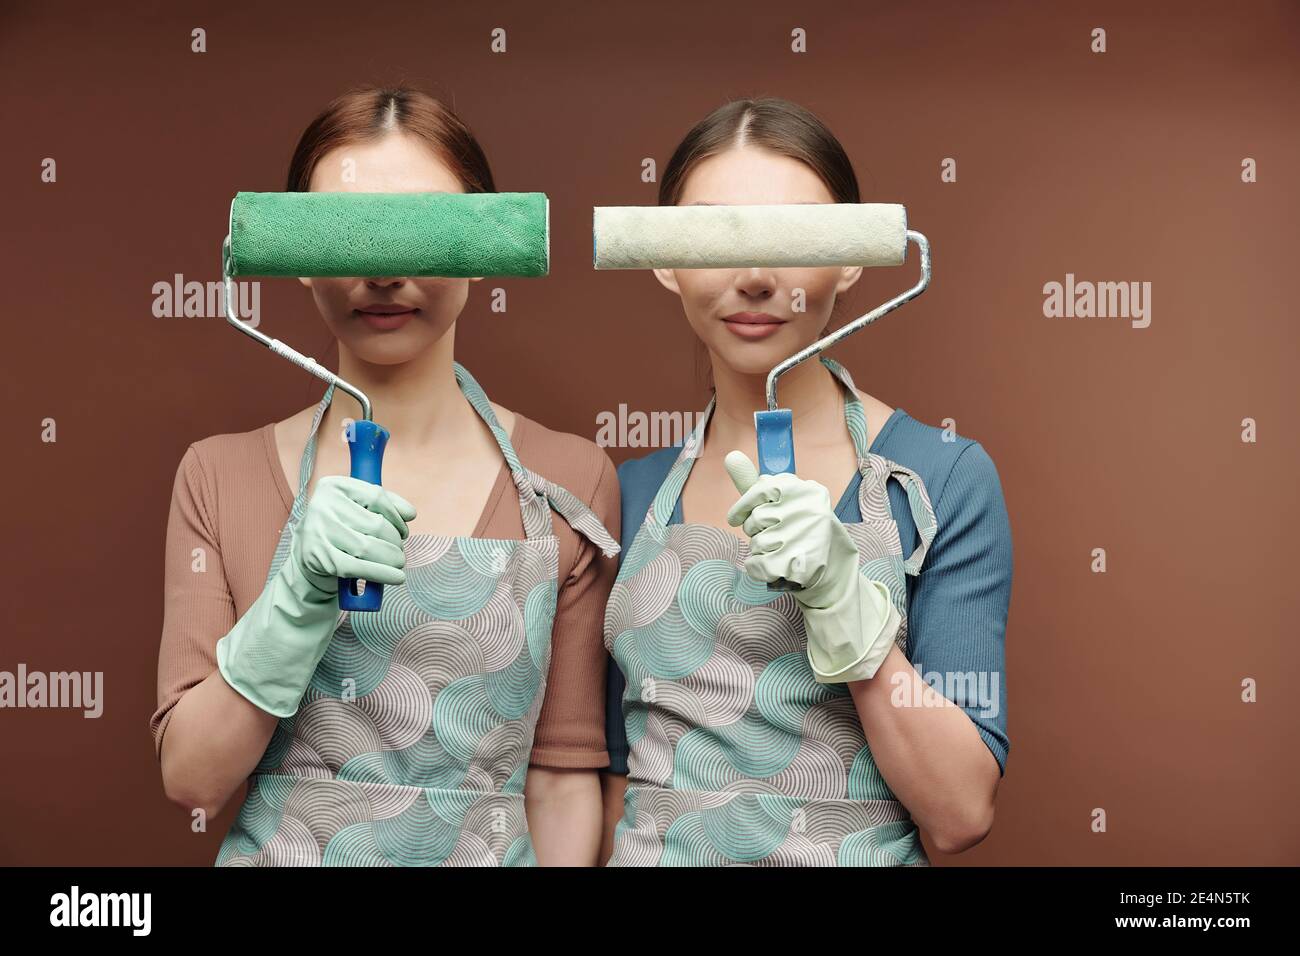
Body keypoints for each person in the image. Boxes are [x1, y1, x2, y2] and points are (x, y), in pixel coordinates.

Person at [152, 86, 619, 866]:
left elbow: (561, 781)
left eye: (423, 229)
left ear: (481, 248)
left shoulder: (568, 478)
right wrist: (293, 606)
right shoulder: (217, 475)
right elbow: (192, 778)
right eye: (348, 234)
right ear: (298, 258)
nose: (384, 270)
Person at [601, 97, 1012, 866]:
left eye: (794, 235)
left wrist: (847, 612)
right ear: (661, 258)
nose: (757, 277)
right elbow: (616, 787)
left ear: (854, 255)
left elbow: (961, 811)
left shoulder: (945, 478)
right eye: (717, 236)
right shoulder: (621, 495)